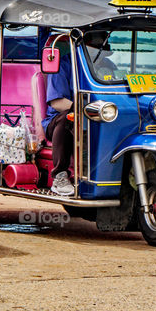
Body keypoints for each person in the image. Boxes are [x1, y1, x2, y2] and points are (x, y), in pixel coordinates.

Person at [42, 31, 116, 196]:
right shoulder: (64, 65)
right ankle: (59, 175)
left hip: (100, 114)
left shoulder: (109, 66)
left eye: (101, 50)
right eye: (94, 48)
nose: (98, 53)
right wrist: (84, 110)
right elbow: (57, 102)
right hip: (60, 120)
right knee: (69, 118)